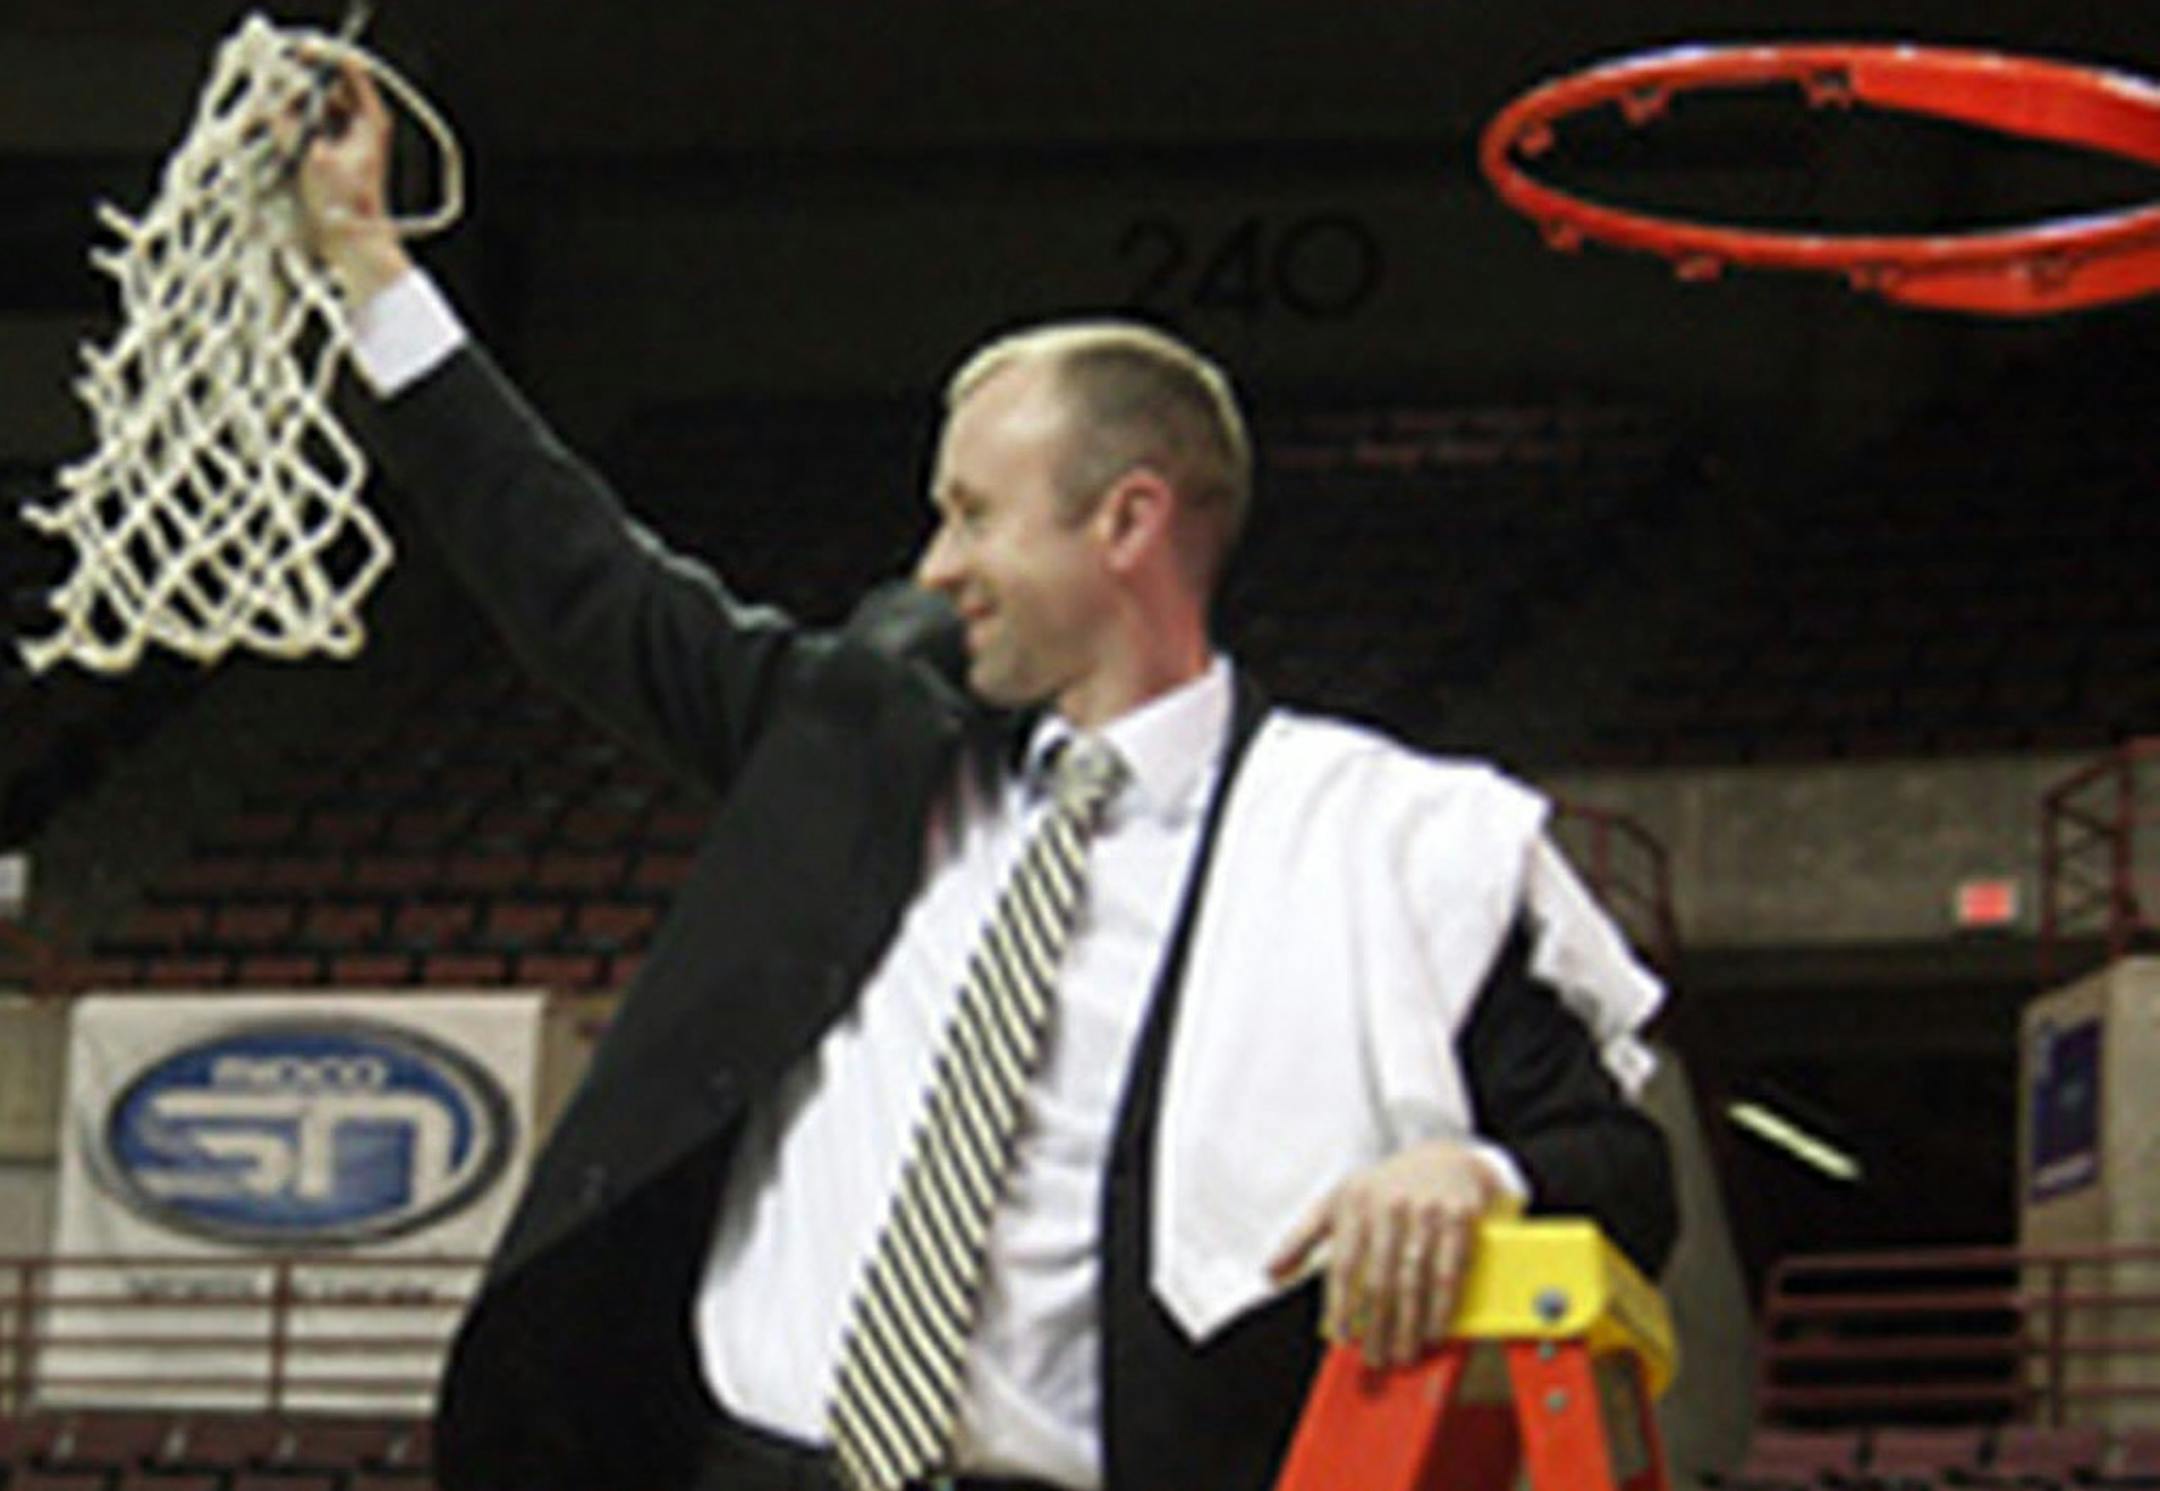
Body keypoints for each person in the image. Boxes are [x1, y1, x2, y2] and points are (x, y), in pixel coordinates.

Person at [296, 62, 1676, 1491]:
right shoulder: (859, 745)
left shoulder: (1386, 838)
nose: (935, 567)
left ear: (1126, 522)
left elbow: (1626, 1172)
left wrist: (1474, 1172)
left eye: (971, 514)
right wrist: (369, 266)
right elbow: (584, 584)